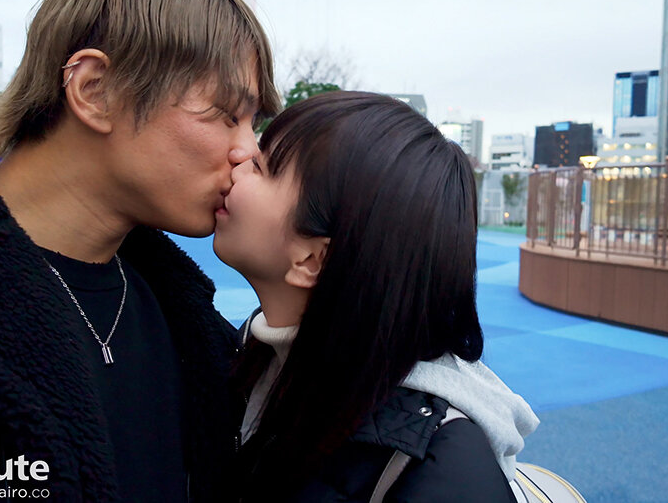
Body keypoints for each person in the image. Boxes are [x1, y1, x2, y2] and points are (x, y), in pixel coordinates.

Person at [0, 0, 278, 501]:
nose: (248, 151)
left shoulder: (193, 329)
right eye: (225, 114)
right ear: (95, 91)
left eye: (252, 122)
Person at [213, 91, 539, 502]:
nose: (240, 158)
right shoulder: (252, 351)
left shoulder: (444, 473)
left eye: (262, 167)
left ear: (312, 260)